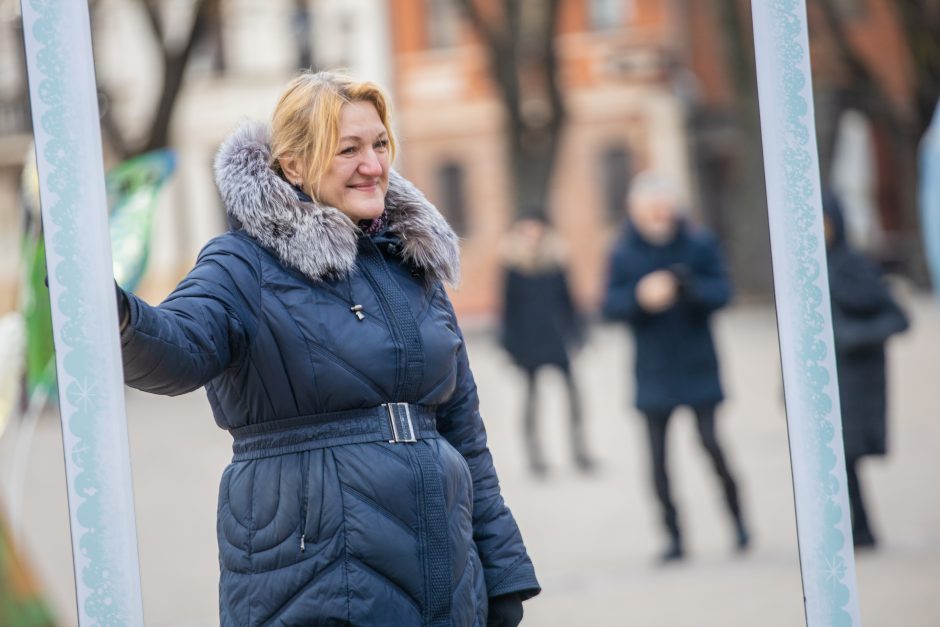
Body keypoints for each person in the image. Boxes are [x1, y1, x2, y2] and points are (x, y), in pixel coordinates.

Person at [116, 71, 539, 626]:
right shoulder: (241, 263)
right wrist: (110, 312)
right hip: (314, 577)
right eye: (349, 150)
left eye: (380, 144)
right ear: (292, 165)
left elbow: (464, 434)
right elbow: (175, 349)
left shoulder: (411, 263)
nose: (374, 165)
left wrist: (501, 573)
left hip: (446, 575)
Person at [601, 172, 748, 563]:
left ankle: (740, 524)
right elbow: (610, 306)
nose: (658, 217)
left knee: (713, 447)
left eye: (664, 209)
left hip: (698, 364)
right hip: (653, 371)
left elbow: (723, 293)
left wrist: (688, 288)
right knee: (658, 463)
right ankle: (674, 537)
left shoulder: (699, 243)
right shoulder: (623, 251)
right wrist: (640, 297)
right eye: (650, 211)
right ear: (635, 213)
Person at [824, 195, 909, 549]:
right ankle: (852, 530)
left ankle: (861, 531)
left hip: (856, 382)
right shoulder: (802, 270)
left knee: (845, 457)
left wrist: (851, 337)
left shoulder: (853, 266)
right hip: (825, 382)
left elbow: (898, 318)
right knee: (832, 461)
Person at [498, 216, 594, 477]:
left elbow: (569, 301)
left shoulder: (555, 261)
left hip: (556, 338)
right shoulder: (513, 265)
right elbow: (508, 309)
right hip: (528, 341)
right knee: (531, 398)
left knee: (574, 396)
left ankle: (580, 451)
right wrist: (509, 345)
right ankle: (535, 455)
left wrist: (579, 334)